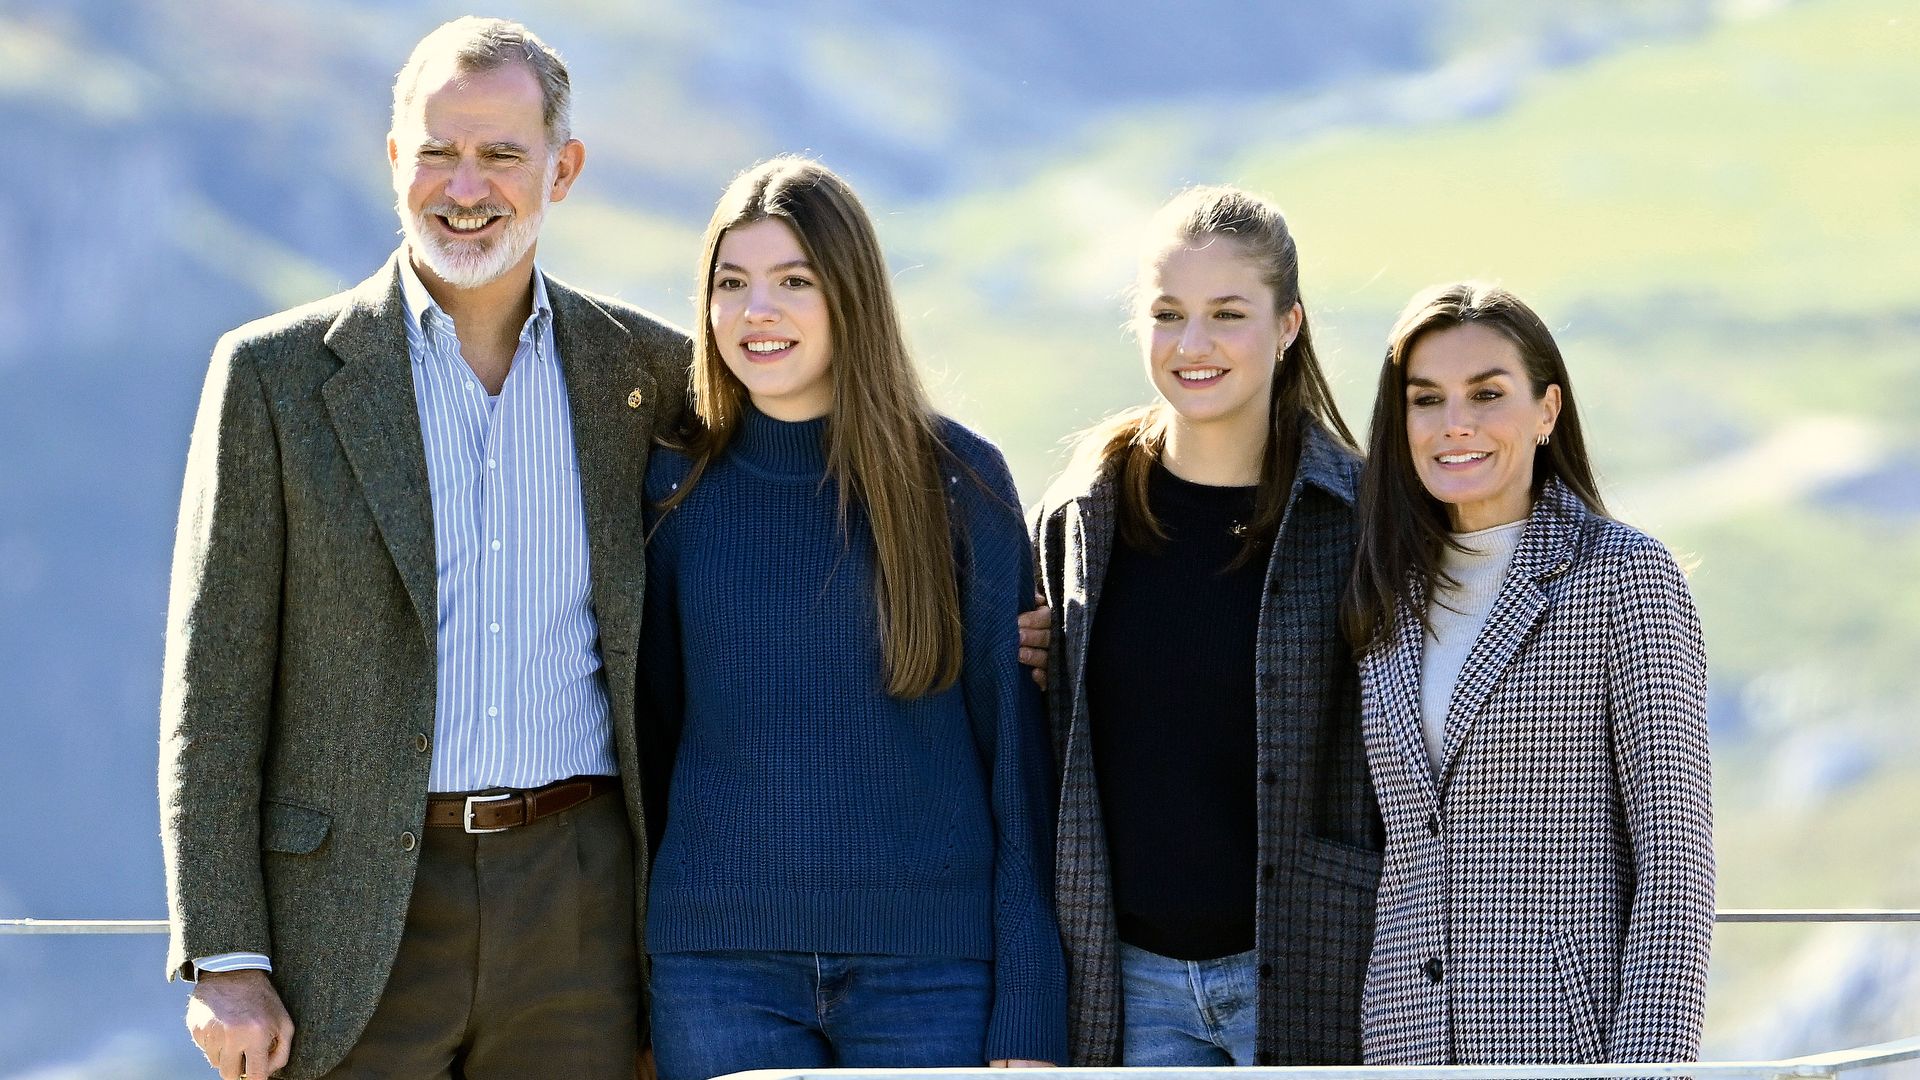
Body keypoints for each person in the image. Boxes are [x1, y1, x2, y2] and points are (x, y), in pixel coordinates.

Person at [158, 18, 690, 1079]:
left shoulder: (648, 375)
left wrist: (988, 604)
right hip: (347, 919)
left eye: (501, 153)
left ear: (563, 168)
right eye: (439, 150)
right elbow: (212, 682)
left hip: (581, 906)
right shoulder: (272, 377)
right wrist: (224, 952)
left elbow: (792, 511)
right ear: (395, 157)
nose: (466, 185)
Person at [636, 156, 1067, 1079]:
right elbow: (652, 737)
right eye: (732, 284)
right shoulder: (675, 491)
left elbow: (1018, 772)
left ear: (852, 296)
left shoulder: (961, 483)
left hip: (935, 977)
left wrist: (1030, 1016)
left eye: (795, 281)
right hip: (716, 972)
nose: (759, 311)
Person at [1028, 186, 1383, 1067]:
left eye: (1228, 313)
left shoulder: (1363, 518)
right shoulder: (1082, 516)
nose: (1193, 345)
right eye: (1167, 314)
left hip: (1312, 973)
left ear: (1289, 323)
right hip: (1126, 985)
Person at [1341, 282, 1714, 1064]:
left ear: (1546, 411)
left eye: (1487, 394)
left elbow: (1676, 862)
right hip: (1404, 1044)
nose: (1456, 425)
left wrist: (1645, 1067)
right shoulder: (1385, 591)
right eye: (1427, 400)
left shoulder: (1621, 576)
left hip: (1561, 1046)